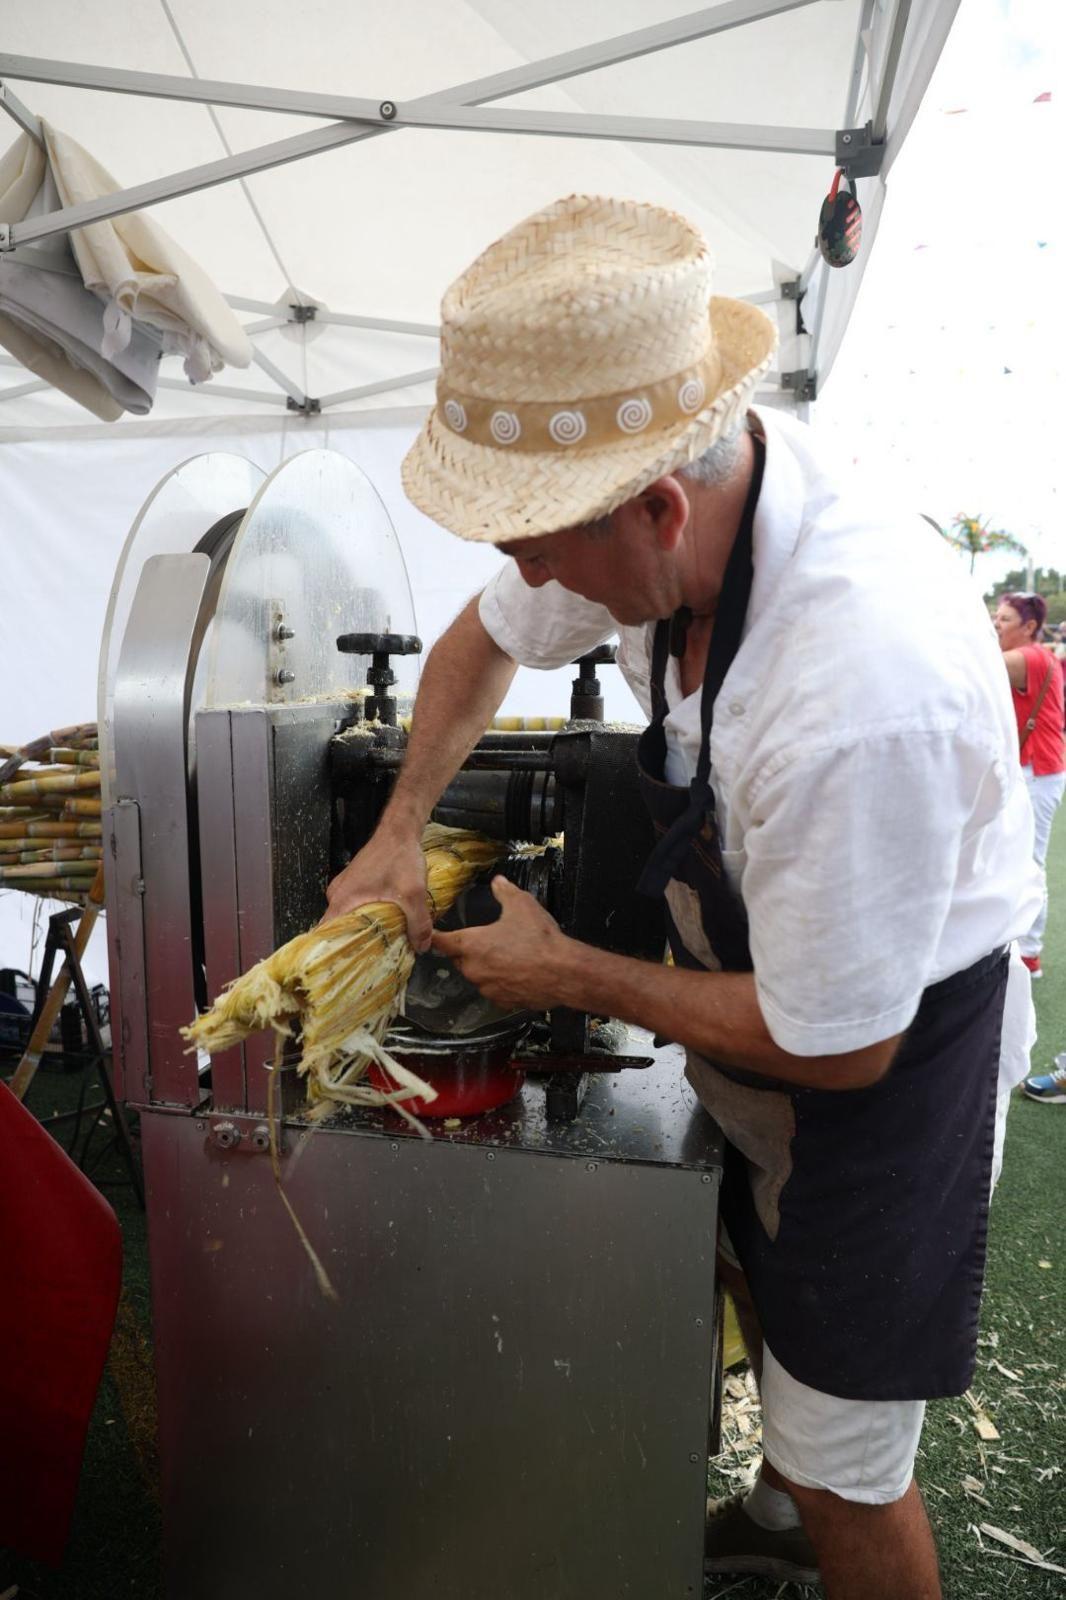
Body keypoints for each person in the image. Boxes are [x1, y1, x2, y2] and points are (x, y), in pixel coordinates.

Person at [324, 196, 1040, 1600]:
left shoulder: (857, 689)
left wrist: (572, 975)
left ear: (658, 505)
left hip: (891, 1060)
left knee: (849, 1456)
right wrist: (401, 827)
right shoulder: (673, 533)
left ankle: (815, 1515)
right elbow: (484, 635)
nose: (525, 570)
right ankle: (771, 1528)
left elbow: (846, 1043)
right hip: (771, 1007)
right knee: (769, 1286)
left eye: (543, 542)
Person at [993, 591, 1066, 978]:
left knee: (1031, 863)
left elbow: (970, 664)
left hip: (1038, 770)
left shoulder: (1025, 658)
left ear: (1030, 627)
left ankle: (1031, 955)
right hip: (1036, 768)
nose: (996, 624)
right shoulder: (1038, 656)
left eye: (1004, 619)